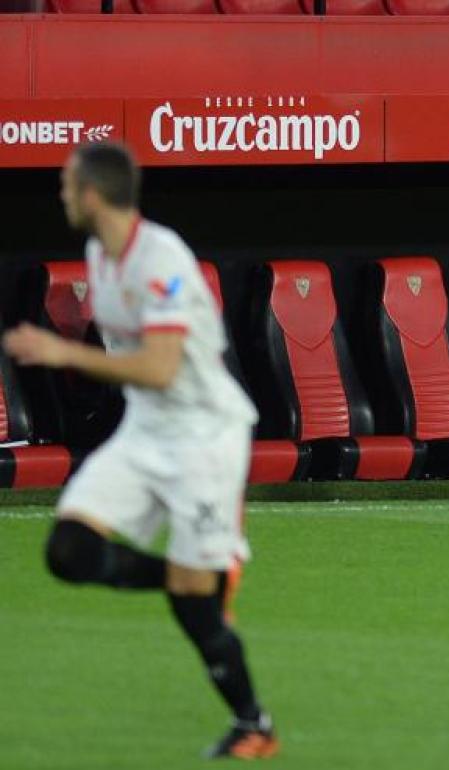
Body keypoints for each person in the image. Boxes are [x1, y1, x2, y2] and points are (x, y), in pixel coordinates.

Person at [2, 142, 279, 760]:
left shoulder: (162, 259)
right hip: (147, 428)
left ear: (94, 194)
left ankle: (254, 724)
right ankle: (200, 577)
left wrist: (61, 352)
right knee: (69, 552)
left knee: (194, 612)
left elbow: (158, 367)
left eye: (68, 185)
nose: (62, 195)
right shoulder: (101, 254)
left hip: (205, 436)